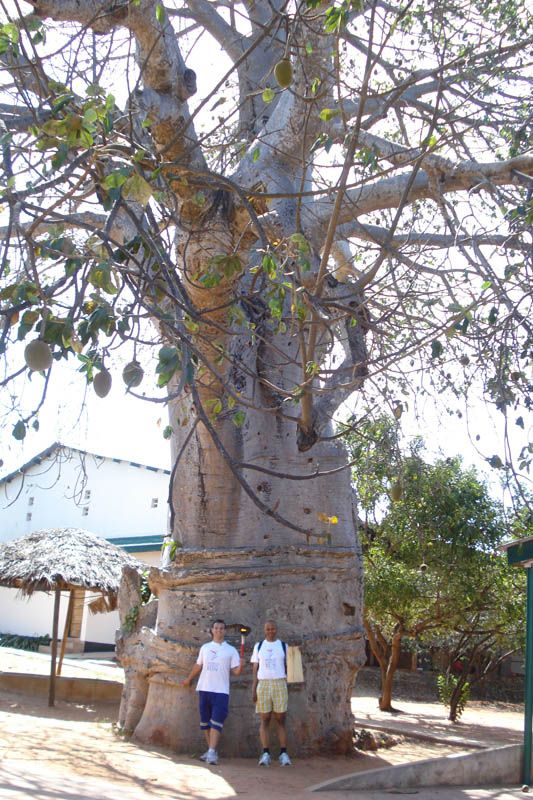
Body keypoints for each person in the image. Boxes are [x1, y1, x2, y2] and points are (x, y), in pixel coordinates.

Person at [182, 619, 243, 765]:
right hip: (204, 688)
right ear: (212, 630)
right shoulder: (205, 648)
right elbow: (198, 665)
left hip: (221, 691)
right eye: (216, 628)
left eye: (222, 628)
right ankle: (211, 751)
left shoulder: (231, 650)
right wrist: (188, 679)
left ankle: (211, 752)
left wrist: (241, 665)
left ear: (225, 631)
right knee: (205, 723)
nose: (219, 630)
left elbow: (236, 672)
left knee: (217, 722)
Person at [251, 619, 292, 766]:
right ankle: (266, 753)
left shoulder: (283, 646)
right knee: (265, 719)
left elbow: (290, 665)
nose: (270, 631)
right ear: (264, 630)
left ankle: (283, 753)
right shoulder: (259, 646)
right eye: (268, 629)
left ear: (277, 630)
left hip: (280, 682)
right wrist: (254, 688)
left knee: (281, 720)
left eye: (273, 629)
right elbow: (255, 668)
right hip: (263, 684)